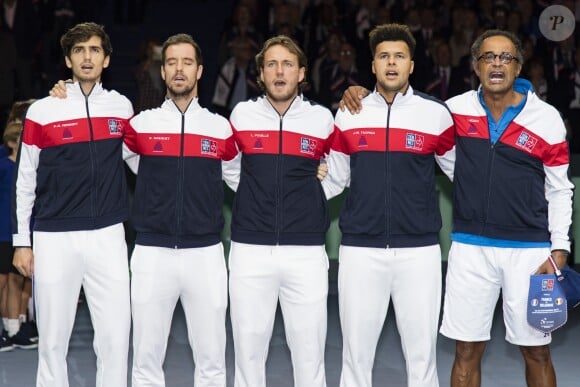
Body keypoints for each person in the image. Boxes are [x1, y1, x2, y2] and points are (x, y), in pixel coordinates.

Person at [340, 29, 573, 387]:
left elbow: (560, 189)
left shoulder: (547, 119)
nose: (497, 64)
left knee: (537, 351)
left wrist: (559, 248)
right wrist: (357, 93)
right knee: (466, 351)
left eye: (505, 57)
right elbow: (436, 149)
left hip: (528, 251)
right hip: (470, 248)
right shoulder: (453, 111)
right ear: (475, 67)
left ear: (518, 66)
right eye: (488, 57)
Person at [321, 23, 455, 387]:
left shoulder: (436, 114)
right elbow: (332, 179)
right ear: (373, 65)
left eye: (399, 56)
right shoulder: (350, 112)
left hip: (420, 251)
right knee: (355, 359)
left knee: (422, 358)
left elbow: (465, 174)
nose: (391, 63)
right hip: (360, 250)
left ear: (411, 65)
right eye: (384, 56)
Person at [12, 22, 133, 387]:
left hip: (108, 235)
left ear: (106, 59)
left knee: (115, 337)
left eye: (94, 50)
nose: (87, 57)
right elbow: (26, 180)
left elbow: (140, 161)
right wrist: (22, 241)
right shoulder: (42, 111)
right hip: (54, 237)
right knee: (51, 341)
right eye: (79, 50)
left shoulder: (122, 108)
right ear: (67, 60)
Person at [124, 33, 239, 387]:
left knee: (212, 361)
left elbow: (241, 179)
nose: (179, 69)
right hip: (151, 253)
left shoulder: (220, 129)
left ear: (200, 71)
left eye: (187, 62)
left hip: (205, 254)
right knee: (145, 360)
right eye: (172, 62)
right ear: (162, 71)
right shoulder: (140, 126)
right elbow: (131, 163)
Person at [227, 35, 334, 387]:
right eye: (271, 64)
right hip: (250, 250)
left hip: (305, 252)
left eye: (287, 64)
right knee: (248, 356)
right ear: (261, 73)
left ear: (301, 72)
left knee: (309, 357)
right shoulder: (242, 115)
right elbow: (230, 169)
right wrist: (253, 196)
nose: (279, 71)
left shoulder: (321, 119)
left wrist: (314, 194)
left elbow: (338, 170)